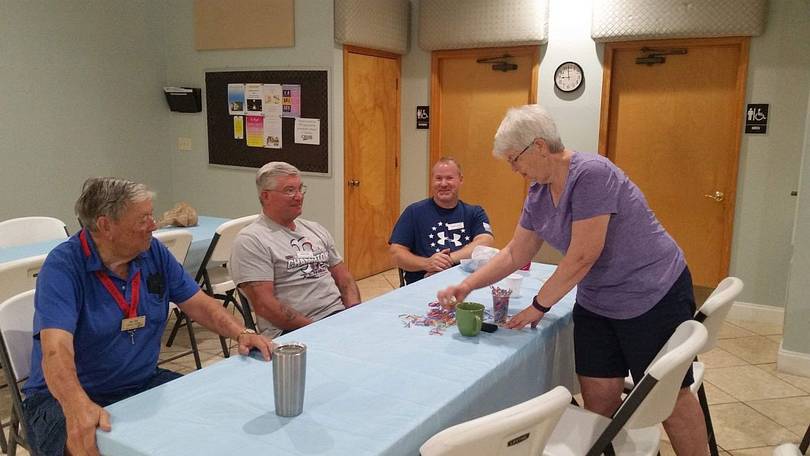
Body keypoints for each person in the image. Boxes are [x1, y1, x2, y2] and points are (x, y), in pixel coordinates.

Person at [437, 105, 709, 455]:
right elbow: (515, 253)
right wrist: (468, 285)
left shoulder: (592, 174)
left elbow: (583, 255)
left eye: (514, 159)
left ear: (538, 146)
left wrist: (539, 306)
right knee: (598, 395)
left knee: (669, 398)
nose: (513, 168)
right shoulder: (537, 192)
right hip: (599, 299)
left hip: (652, 292)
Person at [22, 177, 272, 456]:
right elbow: (56, 350)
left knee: (211, 421)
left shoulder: (152, 252)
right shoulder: (63, 267)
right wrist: (77, 406)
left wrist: (242, 333)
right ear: (106, 225)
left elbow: (200, 304)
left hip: (141, 383)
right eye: (143, 219)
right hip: (63, 398)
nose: (153, 225)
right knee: (93, 442)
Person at [230, 162, 361, 338]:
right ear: (266, 196)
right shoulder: (251, 240)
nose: (299, 196)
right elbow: (265, 306)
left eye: (300, 189)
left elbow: (344, 278)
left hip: (336, 318)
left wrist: (354, 312)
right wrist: (318, 330)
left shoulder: (315, 229)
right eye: (289, 190)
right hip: (294, 332)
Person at [389, 157, 494, 284]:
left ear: (460, 180)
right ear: (432, 181)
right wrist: (427, 263)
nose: (443, 184)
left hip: (465, 283)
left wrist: (447, 260)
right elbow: (396, 253)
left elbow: (485, 241)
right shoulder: (414, 212)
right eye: (438, 178)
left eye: (449, 178)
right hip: (424, 283)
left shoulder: (475, 212)